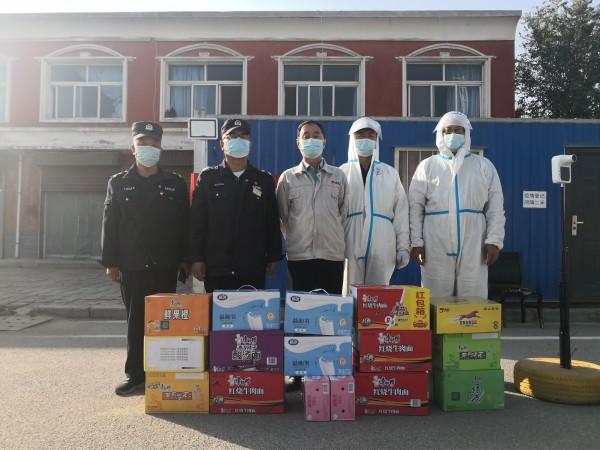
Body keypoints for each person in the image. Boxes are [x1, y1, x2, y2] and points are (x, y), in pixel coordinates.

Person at [101, 121, 190, 396]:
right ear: (133, 147)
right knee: (136, 321)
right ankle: (135, 375)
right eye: (142, 143)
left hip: (165, 264)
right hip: (133, 263)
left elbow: (184, 225)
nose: (148, 148)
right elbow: (110, 224)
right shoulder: (119, 183)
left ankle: (161, 373)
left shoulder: (174, 183)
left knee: (164, 322)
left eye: (153, 144)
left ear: (161, 148)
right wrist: (111, 262)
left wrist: (185, 259)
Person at [408, 111, 505, 298]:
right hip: (435, 240)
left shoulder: (483, 165)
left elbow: (495, 208)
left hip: (474, 240)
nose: (453, 134)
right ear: (441, 134)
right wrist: (416, 242)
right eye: (448, 130)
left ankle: (472, 319)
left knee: (473, 292)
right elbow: (415, 208)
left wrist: (494, 241)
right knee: (435, 294)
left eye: (458, 130)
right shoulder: (427, 166)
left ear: (466, 134)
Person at [188, 118, 283, 293]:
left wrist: (274, 255)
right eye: (232, 136)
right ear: (222, 144)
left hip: (252, 267)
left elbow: (271, 221)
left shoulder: (263, 180)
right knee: (217, 311)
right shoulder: (208, 178)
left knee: (252, 311)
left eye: (243, 136)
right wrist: (196, 258)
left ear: (250, 144)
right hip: (217, 267)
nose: (238, 140)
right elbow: (197, 222)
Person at [276, 120, 349, 295]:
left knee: (331, 305)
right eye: (306, 136)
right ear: (298, 143)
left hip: (331, 255)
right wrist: (297, 237)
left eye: (316, 136)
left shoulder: (338, 175)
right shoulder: (288, 178)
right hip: (300, 256)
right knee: (301, 306)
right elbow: (283, 217)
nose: (311, 140)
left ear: (324, 142)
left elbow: (344, 213)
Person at [340, 117, 410, 293]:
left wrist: (403, 247)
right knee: (349, 292)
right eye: (360, 135)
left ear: (376, 139)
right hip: (349, 238)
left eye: (370, 135)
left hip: (383, 239)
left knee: (378, 294)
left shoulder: (389, 173)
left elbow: (401, 212)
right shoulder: (341, 173)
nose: (365, 139)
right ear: (352, 139)